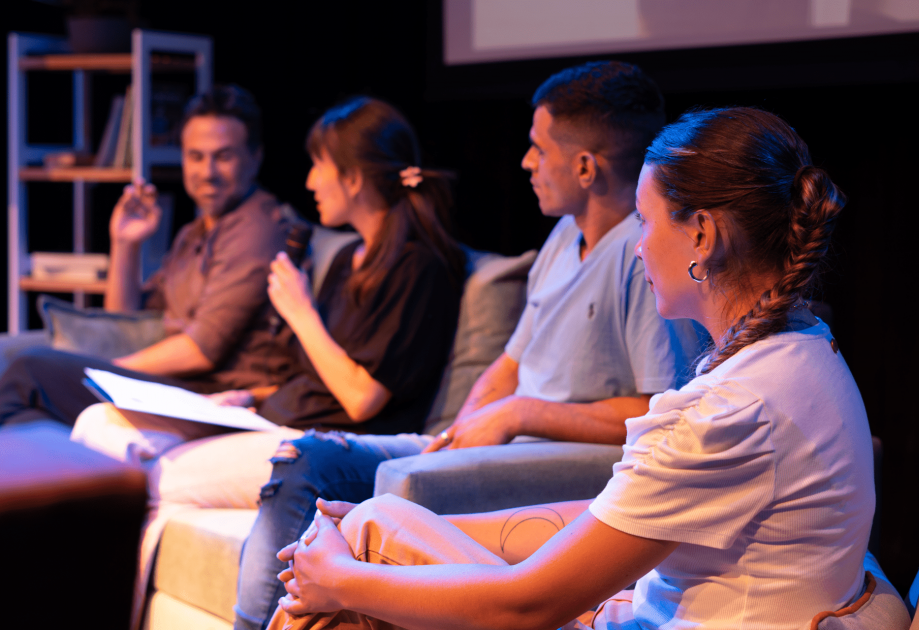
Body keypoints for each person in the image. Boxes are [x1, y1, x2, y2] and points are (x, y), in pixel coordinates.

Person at [266, 106, 873, 630]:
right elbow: (605, 514)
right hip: (637, 610)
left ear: (702, 236)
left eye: (647, 220)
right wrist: (425, 522)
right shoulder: (802, 345)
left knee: (357, 556)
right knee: (376, 522)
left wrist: (340, 580)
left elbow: (528, 606)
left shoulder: (731, 412)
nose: (638, 245)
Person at [232, 61, 704, 630]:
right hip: (498, 445)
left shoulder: (645, 254)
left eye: (537, 148)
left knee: (316, 468)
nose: (525, 162)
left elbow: (661, 413)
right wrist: (463, 428)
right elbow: (509, 363)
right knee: (307, 463)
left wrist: (518, 413)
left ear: (584, 166)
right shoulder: (562, 237)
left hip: (548, 462)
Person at [72, 96, 465, 630]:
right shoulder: (350, 260)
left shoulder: (417, 266)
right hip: (271, 416)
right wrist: (247, 399)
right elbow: (307, 375)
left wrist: (301, 312)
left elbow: (362, 397)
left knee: (135, 478)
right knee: (97, 422)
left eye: (319, 165)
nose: (308, 181)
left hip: (318, 442)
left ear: (352, 178)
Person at [0, 85, 296, 429]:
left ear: (255, 157)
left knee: (31, 369)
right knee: (31, 412)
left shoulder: (257, 228)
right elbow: (125, 319)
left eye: (224, 156)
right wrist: (125, 244)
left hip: (216, 397)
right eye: (196, 156)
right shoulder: (194, 233)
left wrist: (106, 372)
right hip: (178, 389)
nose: (208, 172)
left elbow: (201, 350)